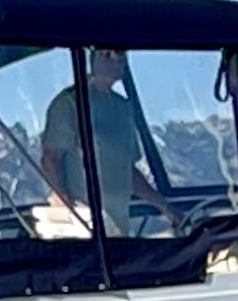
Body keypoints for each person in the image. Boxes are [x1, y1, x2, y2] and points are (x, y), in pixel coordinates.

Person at [41, 47, 158, 232]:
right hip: (85, 229)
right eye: (107, 54)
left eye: (121, 55)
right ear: (91, 59)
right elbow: (50, 159)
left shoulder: (123, 108)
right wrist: (65, 207)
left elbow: (127, 170)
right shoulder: (70, 103)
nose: (116, 60)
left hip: (118, 229)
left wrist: (166, 208)